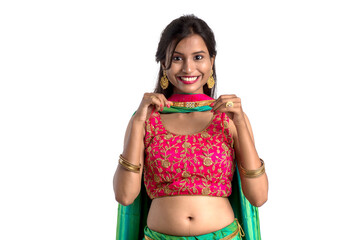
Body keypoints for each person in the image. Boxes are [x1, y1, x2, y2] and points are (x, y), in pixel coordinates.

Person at [113, 14, 268, 240]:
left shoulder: (229, 117)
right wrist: (138, 122)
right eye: (177, 58)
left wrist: (241, 123)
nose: (188, 68)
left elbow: (259, 197)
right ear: (163, 64)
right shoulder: (146, 119)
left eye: (198, 57)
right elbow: (125, 196)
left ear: (211, 62)